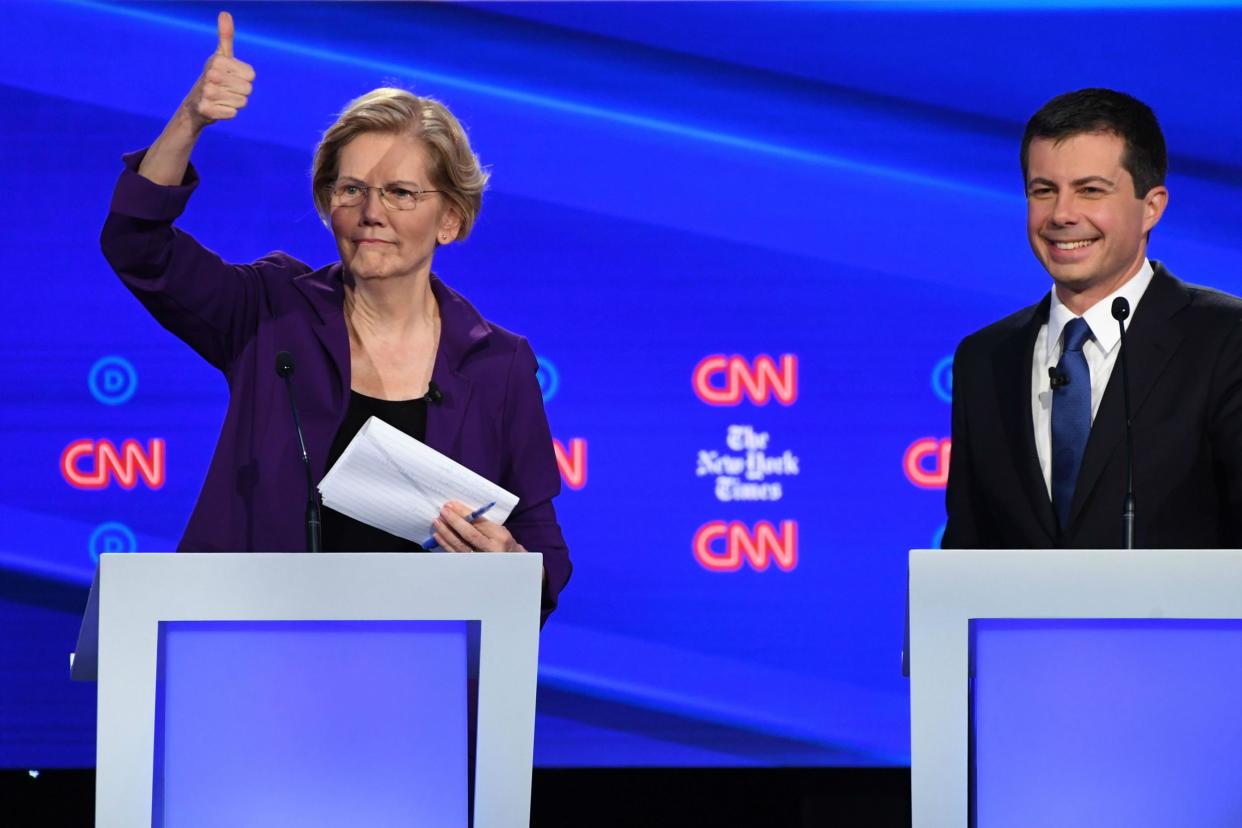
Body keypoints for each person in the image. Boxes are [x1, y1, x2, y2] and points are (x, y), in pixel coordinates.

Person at [100, 12, 571, 621]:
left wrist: (509, 564)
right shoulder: (271, 311)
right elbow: (139, 244)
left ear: (450, 220)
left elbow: (542, 544)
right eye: (351, 190)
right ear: (329, 207)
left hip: (420, 671)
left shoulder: (498, 364)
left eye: (401, 192)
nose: (371, 211)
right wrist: (191, 118)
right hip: (249, 657)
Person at [943, 87, 1242, 550]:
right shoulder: (984, 359)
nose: (1062, 214)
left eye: (1090, 190)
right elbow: (966, 549)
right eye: (1044, 191)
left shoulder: (1225, 340)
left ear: (1152, 207)